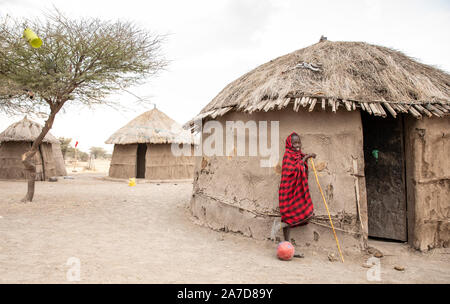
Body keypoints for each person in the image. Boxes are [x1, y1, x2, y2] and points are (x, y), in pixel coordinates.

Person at [279, 132, 316, 245]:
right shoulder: (288, 155)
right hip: (287, 191)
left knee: (305, 212)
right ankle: (286, 243)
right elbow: (292, 170)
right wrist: (306, 157)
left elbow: (301, 168)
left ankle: (287, 244)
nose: (297, 145)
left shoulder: (299, 156)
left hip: (297, 191)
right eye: (294, 143)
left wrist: (305, 158)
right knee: (287, 216)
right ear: (289, 144)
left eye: (299, 142)